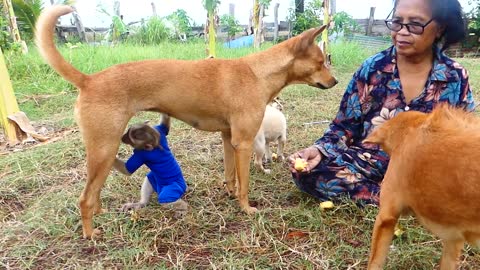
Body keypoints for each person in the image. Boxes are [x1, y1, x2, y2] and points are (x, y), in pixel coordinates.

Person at [287, 0, 475, 205]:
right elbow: (344, 126)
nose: (402, 31)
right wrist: (319, 150)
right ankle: (405, 200)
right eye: (397, 22)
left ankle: (402, 197)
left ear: (439, 29)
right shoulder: (372, 69)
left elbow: (464, 136)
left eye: (414, 24)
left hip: (426, 168)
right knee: (310, 174)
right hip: (369, 162)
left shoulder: (454, 76)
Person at [113, 115, 188, 217]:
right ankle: (143, 202)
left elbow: (126, 170)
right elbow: (165, 124)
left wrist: (112, 159)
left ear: (147, 147)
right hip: (167, 177)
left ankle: (182, 207)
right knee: (150, 176)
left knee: (164, 199)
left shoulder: (142, 153)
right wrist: (165, 112)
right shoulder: (158, 132)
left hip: (173, 184)